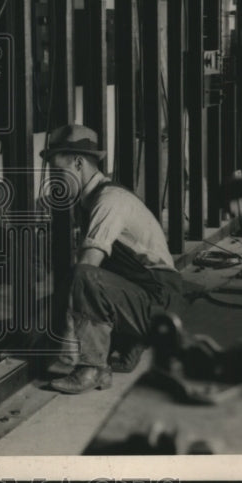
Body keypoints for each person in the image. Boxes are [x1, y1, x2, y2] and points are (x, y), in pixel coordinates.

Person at [41, 124, 184, 394]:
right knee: (84, 278)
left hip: (161, 300)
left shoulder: (109, 201)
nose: (55, 183)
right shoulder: (92, 199)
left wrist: (64, 334)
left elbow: (88, 270)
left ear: (79, 163)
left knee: (84, 274)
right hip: (146, 296)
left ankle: (90, 368)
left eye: (59, 173)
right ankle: (115, 356)